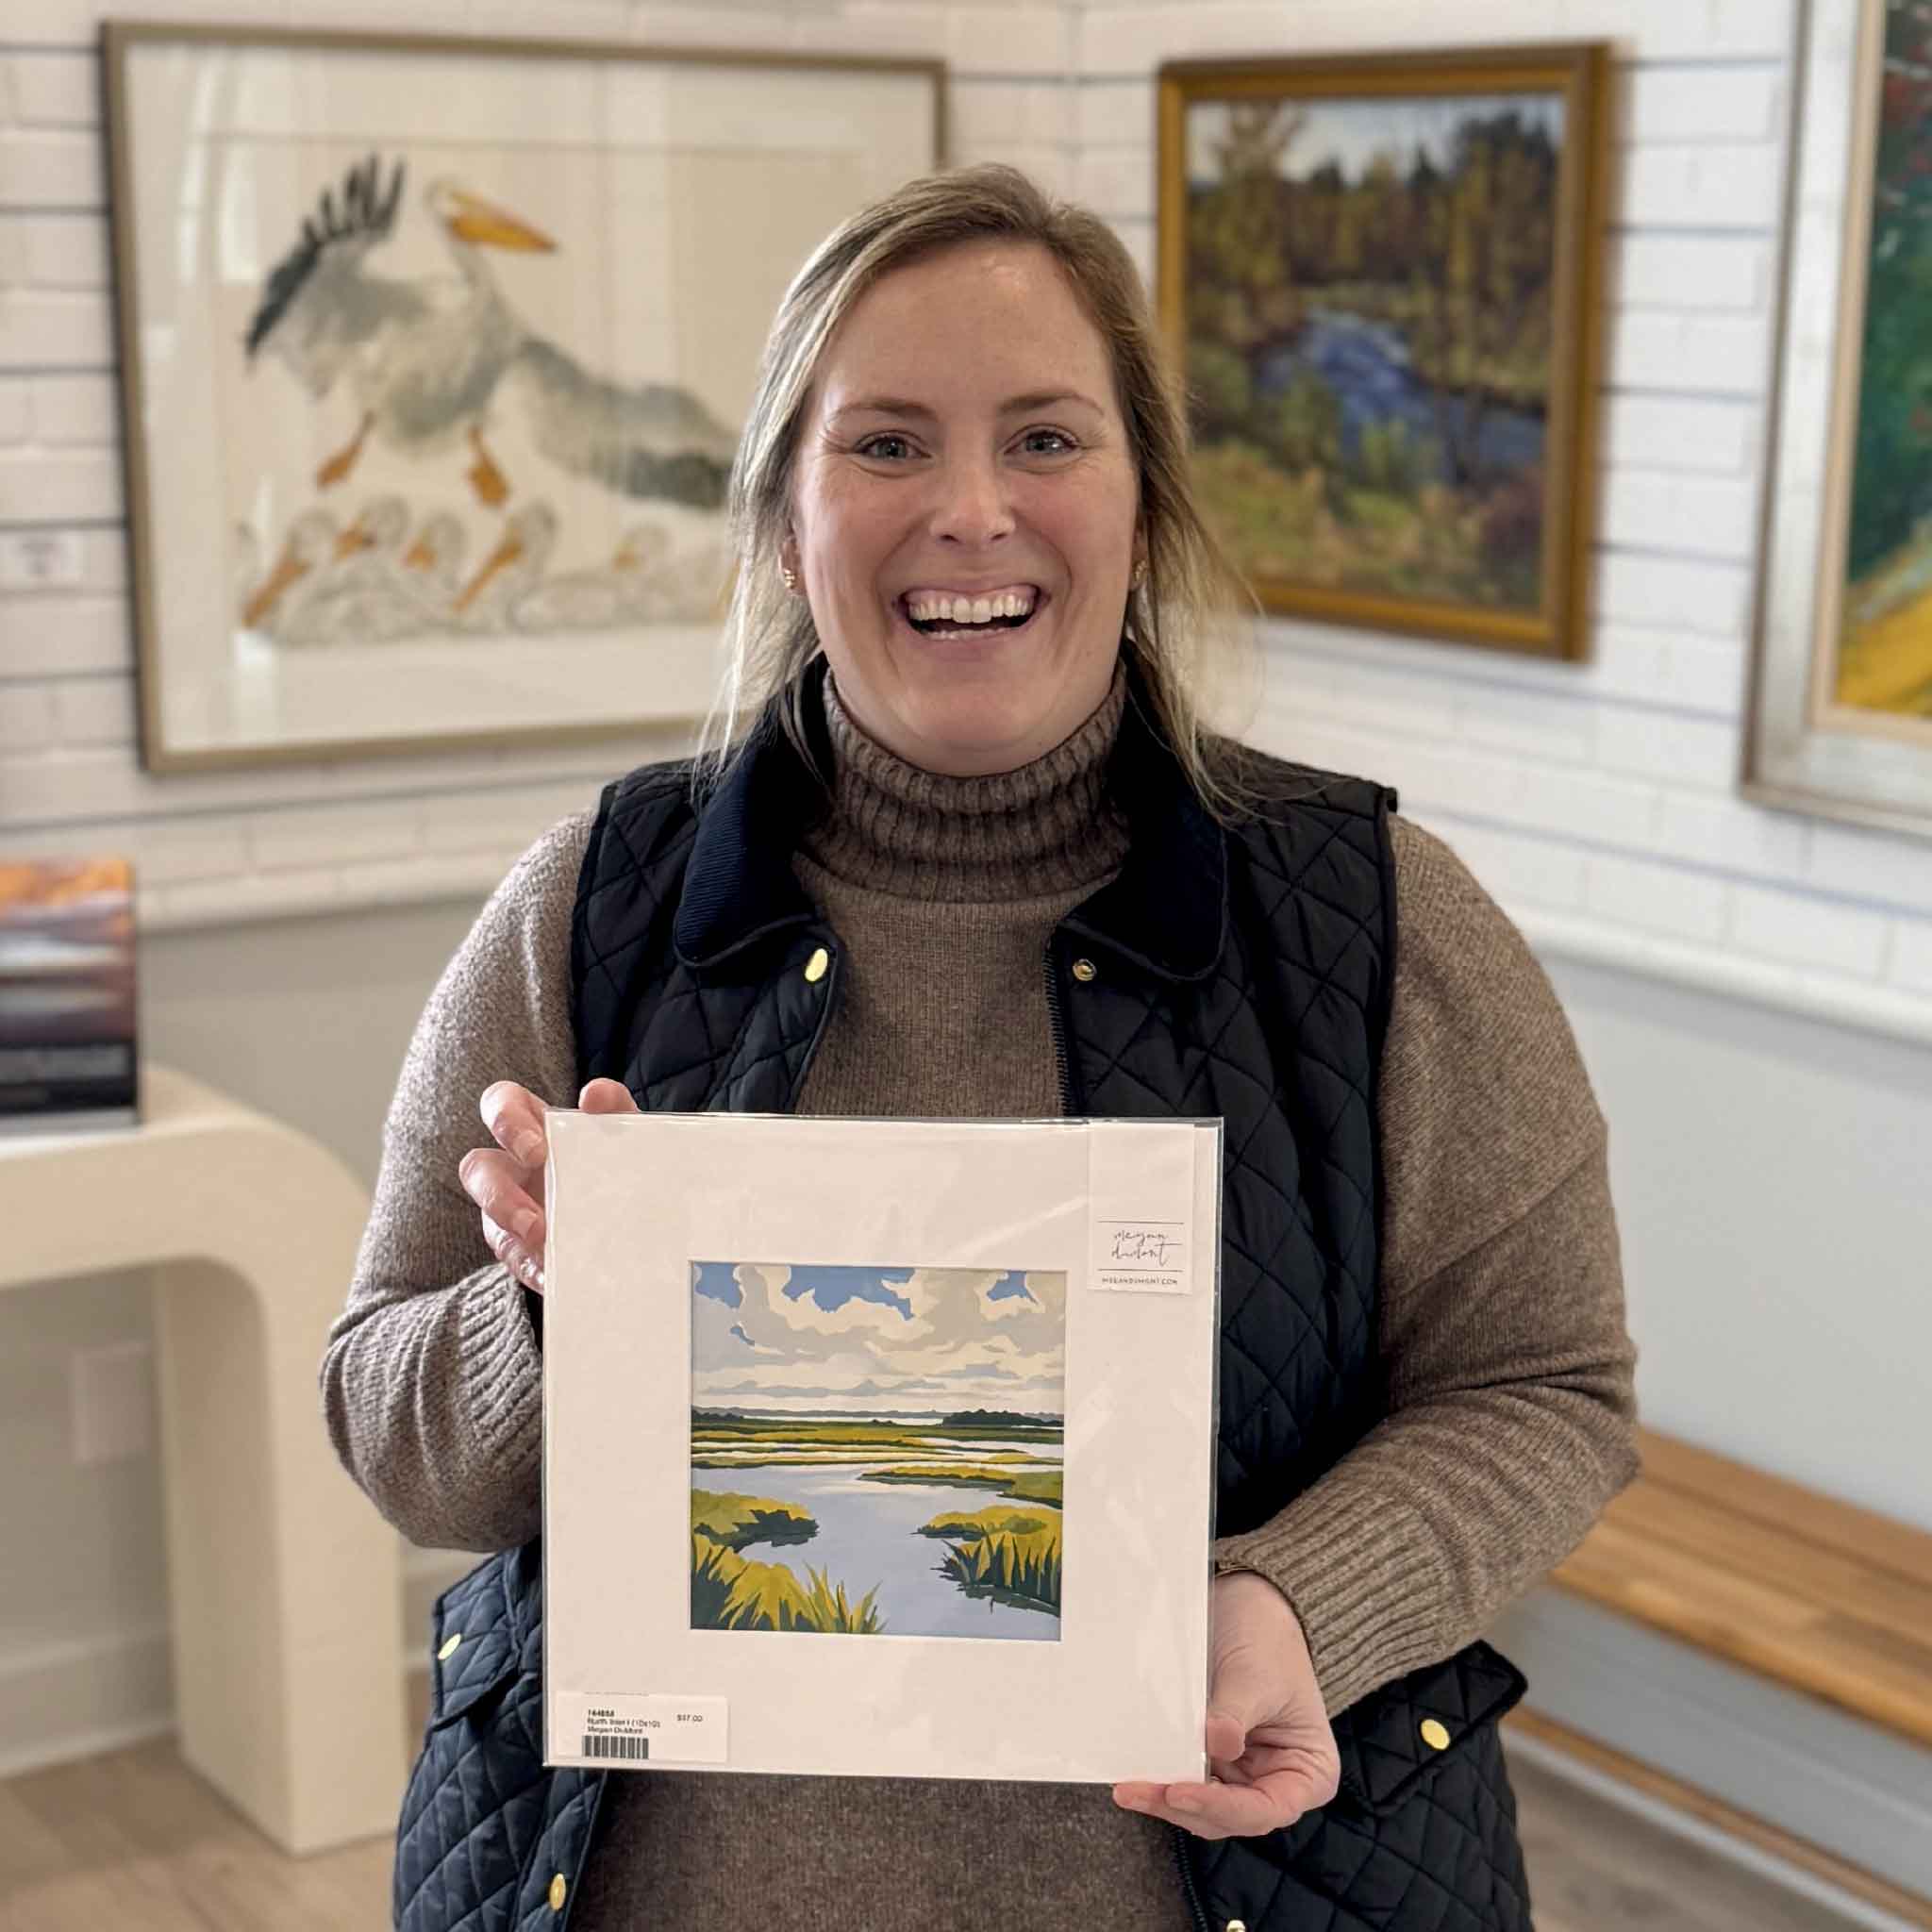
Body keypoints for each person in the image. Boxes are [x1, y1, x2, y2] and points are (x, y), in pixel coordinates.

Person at [324, 163, 1638, 1932]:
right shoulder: (594, 910)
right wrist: (549, 1303)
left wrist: (1299, 1606)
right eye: (884, 445)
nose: (969, 511)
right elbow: (390, 1432)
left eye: (1043, 439)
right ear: (788, 520)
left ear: (1145, 506)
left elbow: (1546, 1387)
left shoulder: (1377, 927)